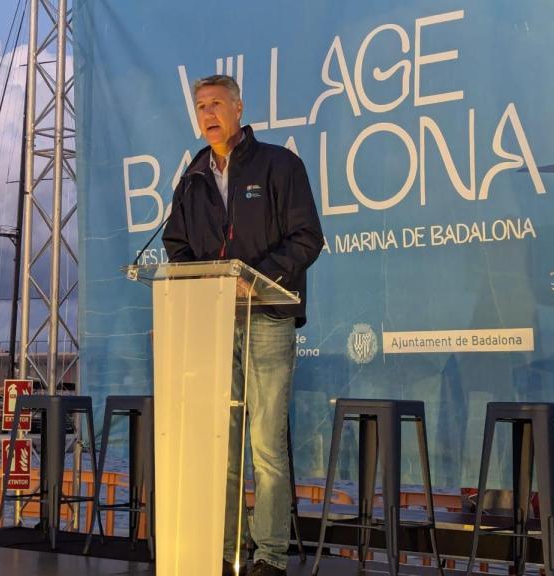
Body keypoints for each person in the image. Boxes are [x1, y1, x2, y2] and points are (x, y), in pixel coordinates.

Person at [163, 75, 323, 576]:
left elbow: (306, 239)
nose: (207, 113)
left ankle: (269, 556)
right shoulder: (193, 175)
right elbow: (175, 243)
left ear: (238, 108)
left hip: (268, 318)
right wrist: (203, 282)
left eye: (216, 104)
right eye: (200, 105)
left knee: (266, 446)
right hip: (212, 323)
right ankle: (226, 550)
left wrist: (254, 281)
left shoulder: (279, 164)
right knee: (222, 442)